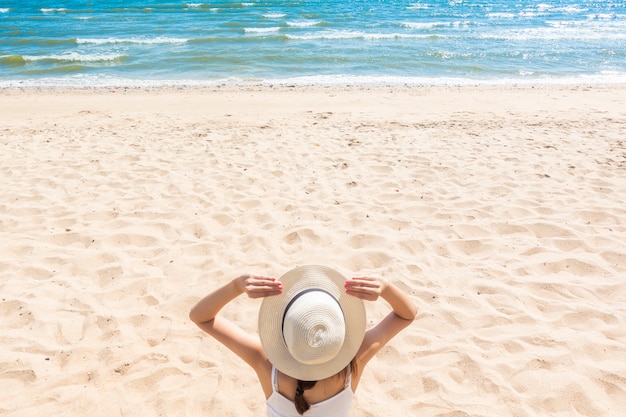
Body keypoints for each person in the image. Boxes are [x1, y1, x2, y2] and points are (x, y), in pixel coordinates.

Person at [189, 265, 418, 417]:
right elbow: (406, 314)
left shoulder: (268, 367)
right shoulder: (353, 365)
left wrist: (236, 286)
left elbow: (201, 317)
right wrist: (386, 288)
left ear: (282, 333)